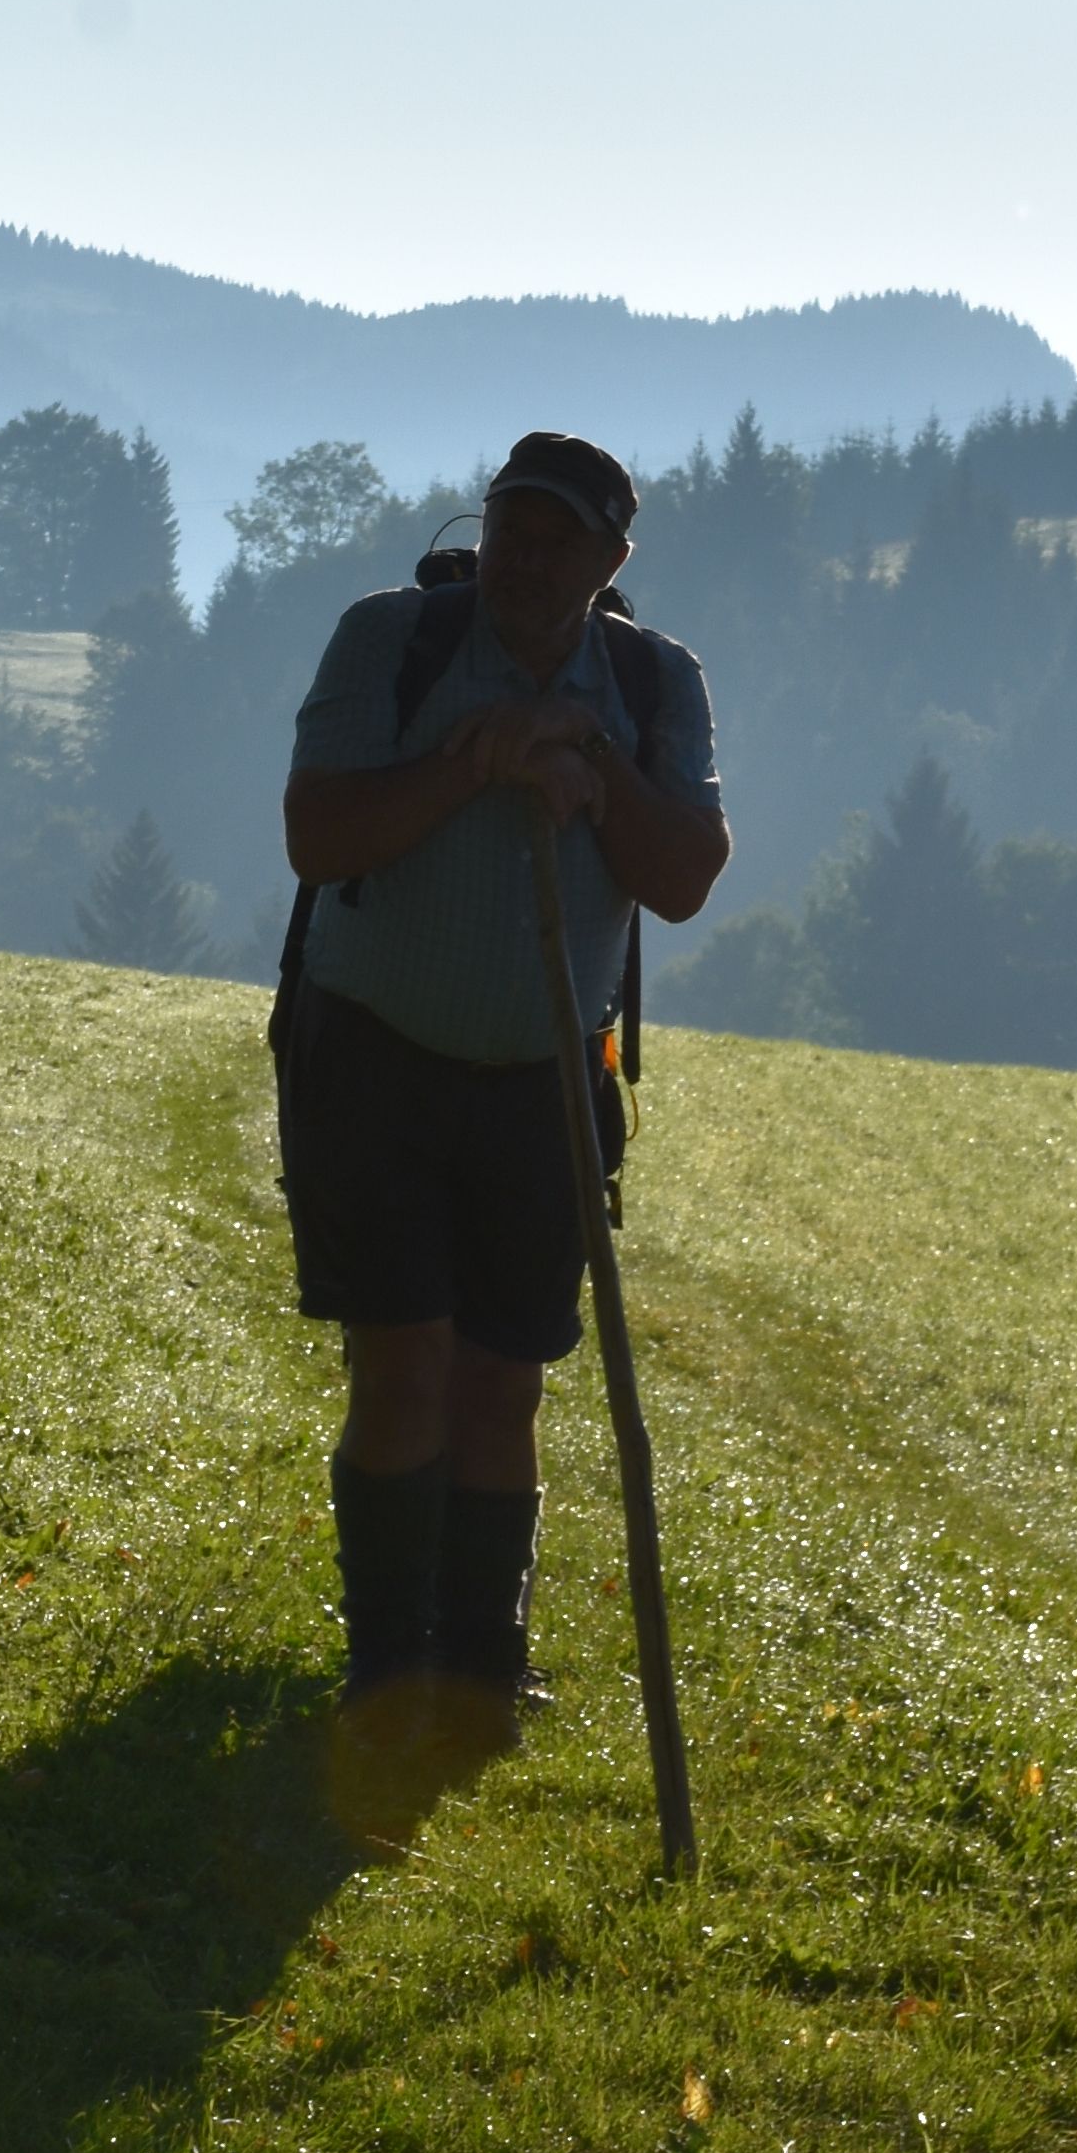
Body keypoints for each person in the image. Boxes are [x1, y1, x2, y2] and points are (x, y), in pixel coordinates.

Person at [280, 434, 727, 1731]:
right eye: (512, 528)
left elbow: (687, 876)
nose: (527, 559)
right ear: (486, 527)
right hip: (372, 1056)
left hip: (545, 1079)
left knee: (504, 1378)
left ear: (610, 560)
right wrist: (476, 761)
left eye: (560, 539)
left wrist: (593, 766)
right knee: (405, 1358)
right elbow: (319, 835)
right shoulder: (393, 640)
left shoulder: (654, 682)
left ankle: (481, 1657)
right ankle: (388, 1655)